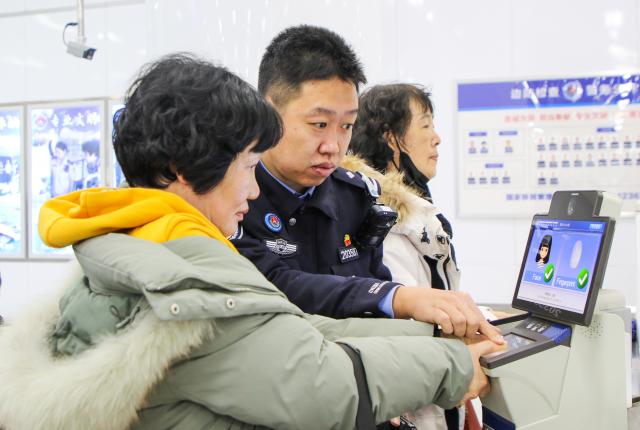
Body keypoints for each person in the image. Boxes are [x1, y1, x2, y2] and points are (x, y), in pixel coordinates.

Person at [0, 54, 503, 430]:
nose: (254, 188)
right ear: (181, 170)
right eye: (245, 167)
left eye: (346, 127)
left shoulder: (132, 246)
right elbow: (320, 382)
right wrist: (456, 366)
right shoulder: (184, 280)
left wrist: (433, 338)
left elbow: (293, 331)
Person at [232, 25, 502, 343]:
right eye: (319, 124)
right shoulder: (231, 197)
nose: (333, 145)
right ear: (267, 111)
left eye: (346, 125)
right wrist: (397, 297)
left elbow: (375, 316)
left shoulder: (356, 197)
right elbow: (276, 285)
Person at [348, 83, 467, 430]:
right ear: (391, 137)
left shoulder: (414, 215)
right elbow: (406, 328)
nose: (437, 139)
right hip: (418, 402)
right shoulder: (385, 222)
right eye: (426, 124)